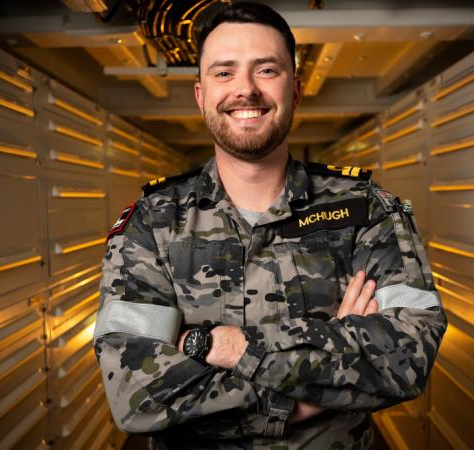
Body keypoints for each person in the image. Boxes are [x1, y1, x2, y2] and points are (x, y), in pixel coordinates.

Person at [93, 3, 446, 448]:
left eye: (266, 70)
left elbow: (405, 360)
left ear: (295, 90)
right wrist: (329, 356)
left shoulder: (366, 210)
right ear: (201, 95)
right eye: (224, 73)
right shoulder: (151, 222)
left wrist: (225, 347)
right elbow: (135, 396)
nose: (245, 90)